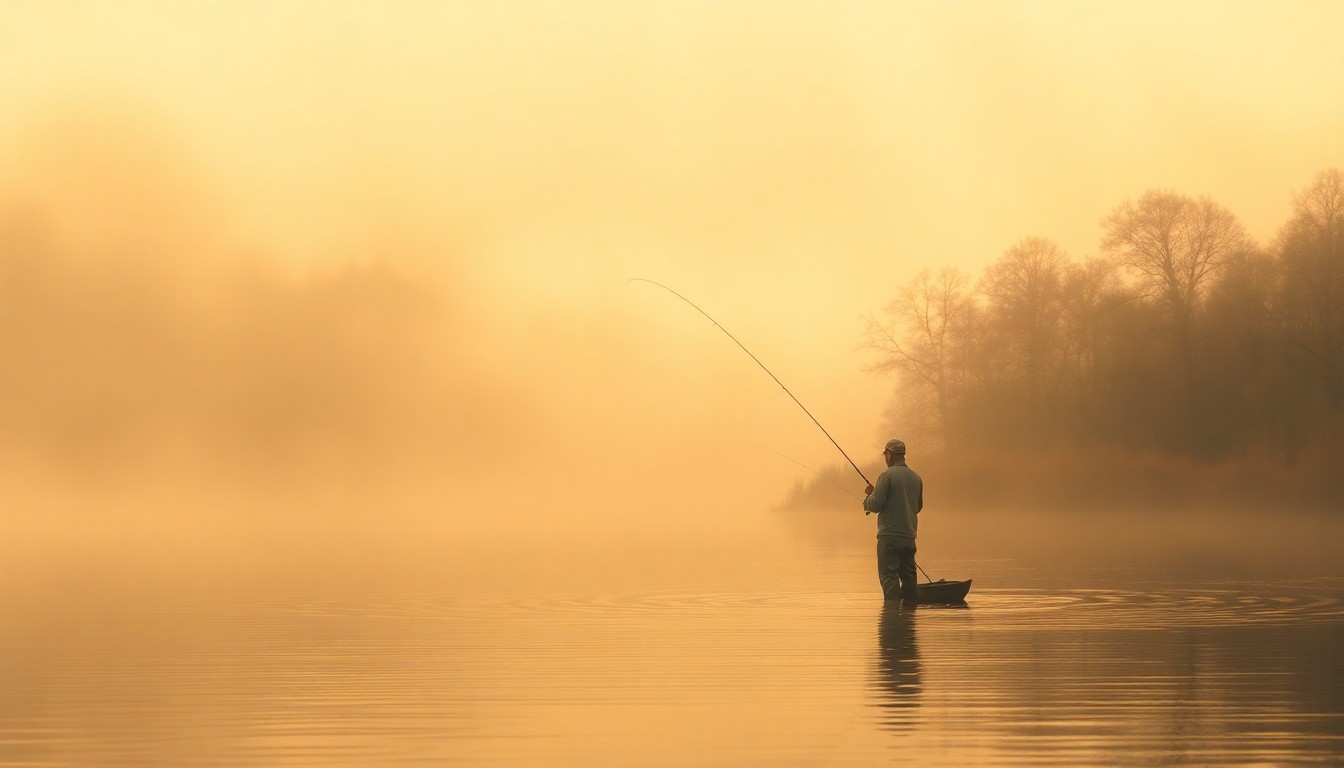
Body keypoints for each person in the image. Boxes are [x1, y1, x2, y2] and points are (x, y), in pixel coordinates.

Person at [863, 439, 924, 603]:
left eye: (885, 454)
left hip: (889, 538)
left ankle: (892, 620)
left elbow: (875, 505)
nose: (885, 458)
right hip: (909, 538)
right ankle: (909, 620)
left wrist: (869, 495)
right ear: (903, 455)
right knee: (910, 580)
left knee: (889, 580)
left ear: (890, 455)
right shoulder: (916, 478)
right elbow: (917, 507)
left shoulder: (886, 476)